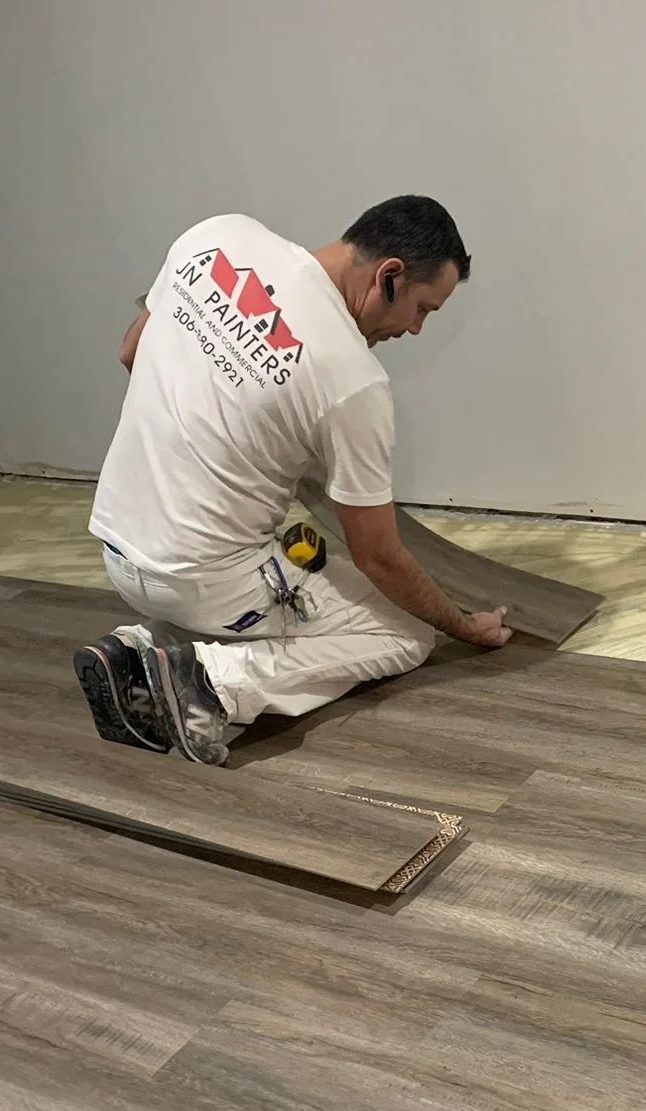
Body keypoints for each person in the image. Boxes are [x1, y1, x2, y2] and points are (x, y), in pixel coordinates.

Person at [72, 196, 511, 765]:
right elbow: (378, 557)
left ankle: (143, 651)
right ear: (390, 277)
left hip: (114, 541)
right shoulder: (352, 381)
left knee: (307, 564)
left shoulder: (218, 236)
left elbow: (132, 352)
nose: (417, 329)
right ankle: (207, 686)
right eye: (424, 309)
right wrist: (464, 626)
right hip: (198, 578)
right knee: (405, 635)